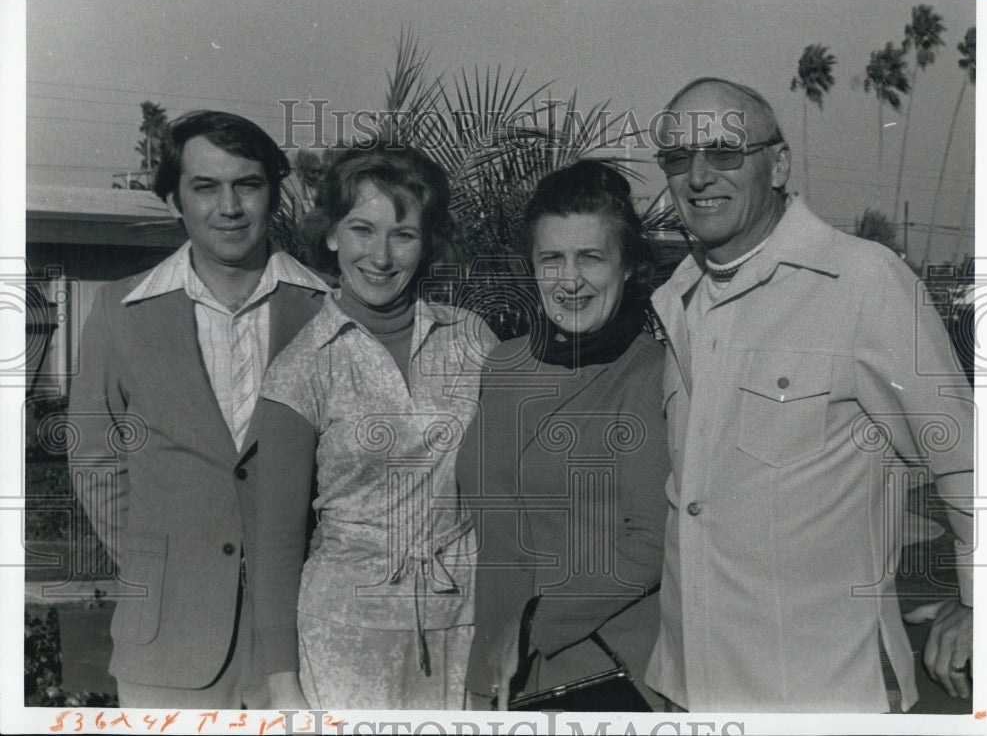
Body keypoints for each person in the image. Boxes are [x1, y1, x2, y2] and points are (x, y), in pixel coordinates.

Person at [644, 77, 975, 712]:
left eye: (725, 152)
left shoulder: (863, 281)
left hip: (825, 692)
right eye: (679, 158)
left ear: (780, 164)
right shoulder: (679, 297)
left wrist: (979, 604)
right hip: (692, 685)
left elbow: (969, 459)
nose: (699, 175)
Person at [69, 110, 331, 707]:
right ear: (174, 201)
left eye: (248, 184)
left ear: (275, 192)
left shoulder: (326, 307)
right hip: (167, 641)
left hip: (302, 639)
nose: (229, 207)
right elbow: (96, 464)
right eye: (205, 187)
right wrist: (159, 565)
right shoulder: (118, 310)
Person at [249, 143, 498, 710]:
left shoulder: (474, 340)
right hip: (342, 640)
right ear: (333, 234)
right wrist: (283, 683)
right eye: (362, 229)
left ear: (427, 243)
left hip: (462, 626)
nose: (380, 256)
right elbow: (277, 545)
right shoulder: (299, 368)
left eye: (403, 235)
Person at [460, 160, 670, 711]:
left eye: (591, 257)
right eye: (551, 258)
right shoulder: (501, 365)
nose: (569, 279)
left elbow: (650, 542)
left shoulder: (652, 373)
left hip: (602, 668)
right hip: (497, 671)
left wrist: (534, 626)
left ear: (627, 267)